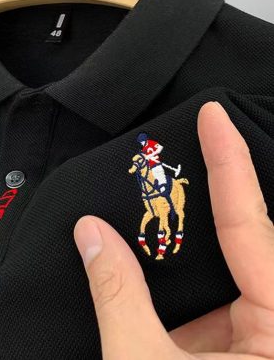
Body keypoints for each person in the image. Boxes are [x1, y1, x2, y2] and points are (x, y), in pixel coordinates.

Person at [74, 102, 274, 359]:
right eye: (144, 144)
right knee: (146, 186)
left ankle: (168, 207)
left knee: (160, 182)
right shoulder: (142, 153)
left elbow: (156, 154)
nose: (144, 144)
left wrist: (151, 156)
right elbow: (137, 166)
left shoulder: (152, 149)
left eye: (144, 143)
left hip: (159, 168)